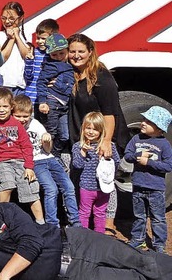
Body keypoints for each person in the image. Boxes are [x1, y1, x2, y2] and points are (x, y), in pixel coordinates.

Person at [0, 182, 172, 280]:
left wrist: (4, 276)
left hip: (76, 242)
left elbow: (31, 242)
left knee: (144, 261)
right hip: (69, 274)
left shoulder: (6, 210)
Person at [67, 33, 129, 237]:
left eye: (81, 51)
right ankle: (86, 226)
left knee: (105, 180)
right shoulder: (73, 74)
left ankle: (108, 225)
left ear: (90, 52)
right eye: (72, 51)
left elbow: (110, 113)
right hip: (84, 137)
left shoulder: (101, 77)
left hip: (102, 137)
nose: (76, 55)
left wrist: (107, 142)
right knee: (86, 182)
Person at [13, 94, 80, 227]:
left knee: (69, 187)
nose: (22, 119)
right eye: (18, 116)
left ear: (30, 114)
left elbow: (48, 150)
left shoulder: (35, 124)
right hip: (36, 162)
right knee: (51, 189)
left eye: (25, 116)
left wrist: (47, 139)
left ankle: (75, 221)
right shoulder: (12, 128)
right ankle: (52, 224)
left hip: (49, 158)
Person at [0, 87, 44, 224]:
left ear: (11, 107)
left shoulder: (16, 124)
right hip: (0, 162)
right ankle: (1, 219)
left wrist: (29, 167)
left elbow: (26, 146)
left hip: (19, 161)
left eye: (5, 106)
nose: (1, 110)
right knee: (7, 184)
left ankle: (41, 222)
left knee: (30, 186)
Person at [124, 106, 172, 253]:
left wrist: (148, 162)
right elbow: (127, 155)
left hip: (156, 188)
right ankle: (138, 240)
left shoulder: (164, 144)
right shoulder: (136, 139)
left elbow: (168, 166)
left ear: (158, 128)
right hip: (138, 185)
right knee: (139, 215)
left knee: (157, 218)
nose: (143, 123)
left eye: (148, 121)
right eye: (144, 119)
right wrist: (138, 154)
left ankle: (159, 244)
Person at [71, 112, 119, 233]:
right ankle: (83, 237)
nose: (91, 132)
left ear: (101, 131)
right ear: (83, 128)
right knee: (84, 212)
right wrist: (83, 152)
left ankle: (99, 237)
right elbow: (77, 165)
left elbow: (117, 162)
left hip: (103, 187)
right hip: (87, 187)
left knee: (100, 213)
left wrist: (108, 159)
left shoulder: (108, 146)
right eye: (88, 128)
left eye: (95, 129)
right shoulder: (78, 146)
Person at [36, 33, 75, 159]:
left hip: (64, 105)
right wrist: (42, 101)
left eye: (61, 53)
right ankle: (47, 156)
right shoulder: (51, 66)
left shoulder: (70, 65)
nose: (58, 57)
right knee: (50, 133)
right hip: (52, 102)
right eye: (54, 54)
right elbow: (41, 82)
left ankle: (55, 154)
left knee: (65, 135)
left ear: (67, 51)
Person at [0, 2, 31, 96]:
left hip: (19, 85)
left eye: (12, 18)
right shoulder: (0, 35)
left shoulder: (25, 36)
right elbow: (2, 58)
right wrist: (11, 39)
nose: (7, 21)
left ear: (20, 18)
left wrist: (17, 36)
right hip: (1, 84)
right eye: (4, 18)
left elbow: (27, 56)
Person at [24, 19, 59, 105]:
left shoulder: (56, 55)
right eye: (38, 38)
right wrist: (29, 61)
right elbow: (28, 76)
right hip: (31, 98)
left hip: (47, 101)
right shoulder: (34, 52)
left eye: (43, 39)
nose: (39, 41)